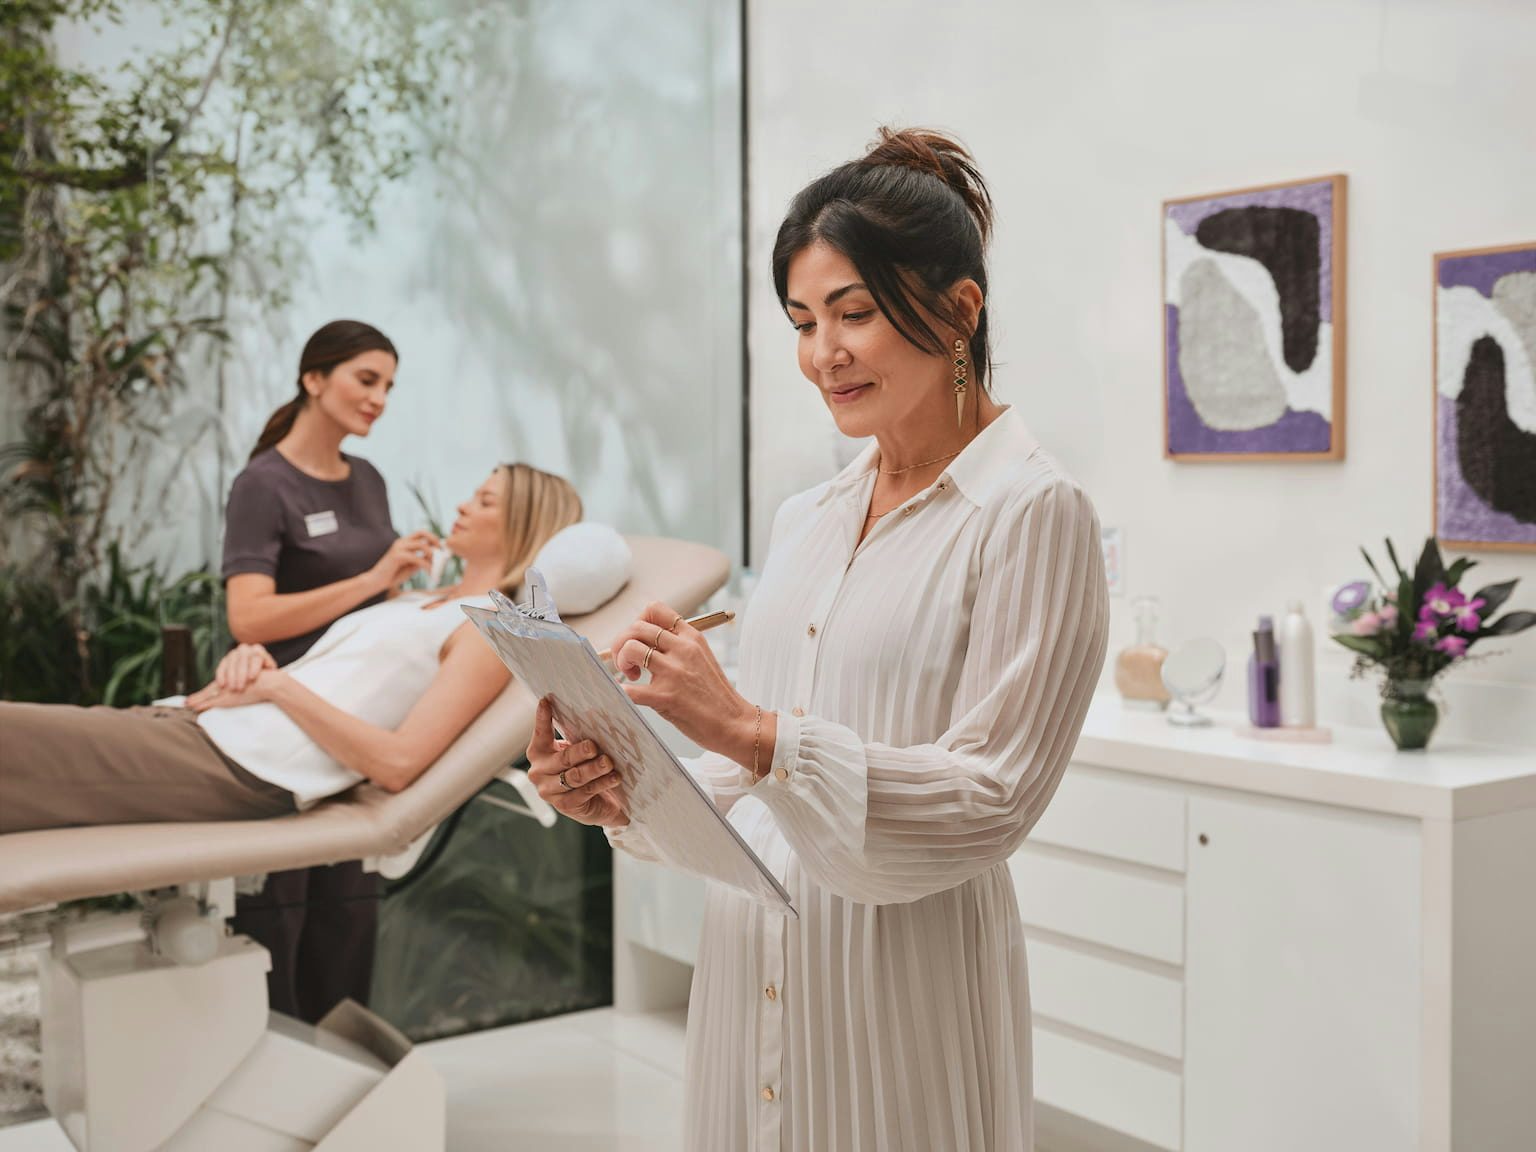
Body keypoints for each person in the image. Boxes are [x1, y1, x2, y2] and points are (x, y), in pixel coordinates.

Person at [527, 128, 1110, 1151]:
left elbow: (991, 799)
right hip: (752, 967)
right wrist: (621, 788)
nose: (821, 353)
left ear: (959, 310)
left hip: (906, 987)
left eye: (855, 312)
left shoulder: (1030, 511)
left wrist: (753, 729)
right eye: (803, 320)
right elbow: (744, 790)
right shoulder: (808, 518)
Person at [0, 464, 583, 838]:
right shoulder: (419, 601)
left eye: (483, 502)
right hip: (202, 726)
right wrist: (252, 664)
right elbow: (331, 678)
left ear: (523, 525)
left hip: (243, 767)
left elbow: (399, 765)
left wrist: (276, 686)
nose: (461, 506)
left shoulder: (483, 634)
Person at [220, 319, 437, 1022]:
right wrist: (375, 576)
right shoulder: (263, 485)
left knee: (346, 924)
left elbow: (376, 609)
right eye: (366, 380)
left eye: (389, 388)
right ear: (314, 379)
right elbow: (248, 618)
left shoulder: (367, 481)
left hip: (354, 732)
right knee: (274, 924)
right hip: (282, 735)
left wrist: (412, 592)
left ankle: (344, 1102)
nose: (379, 399)